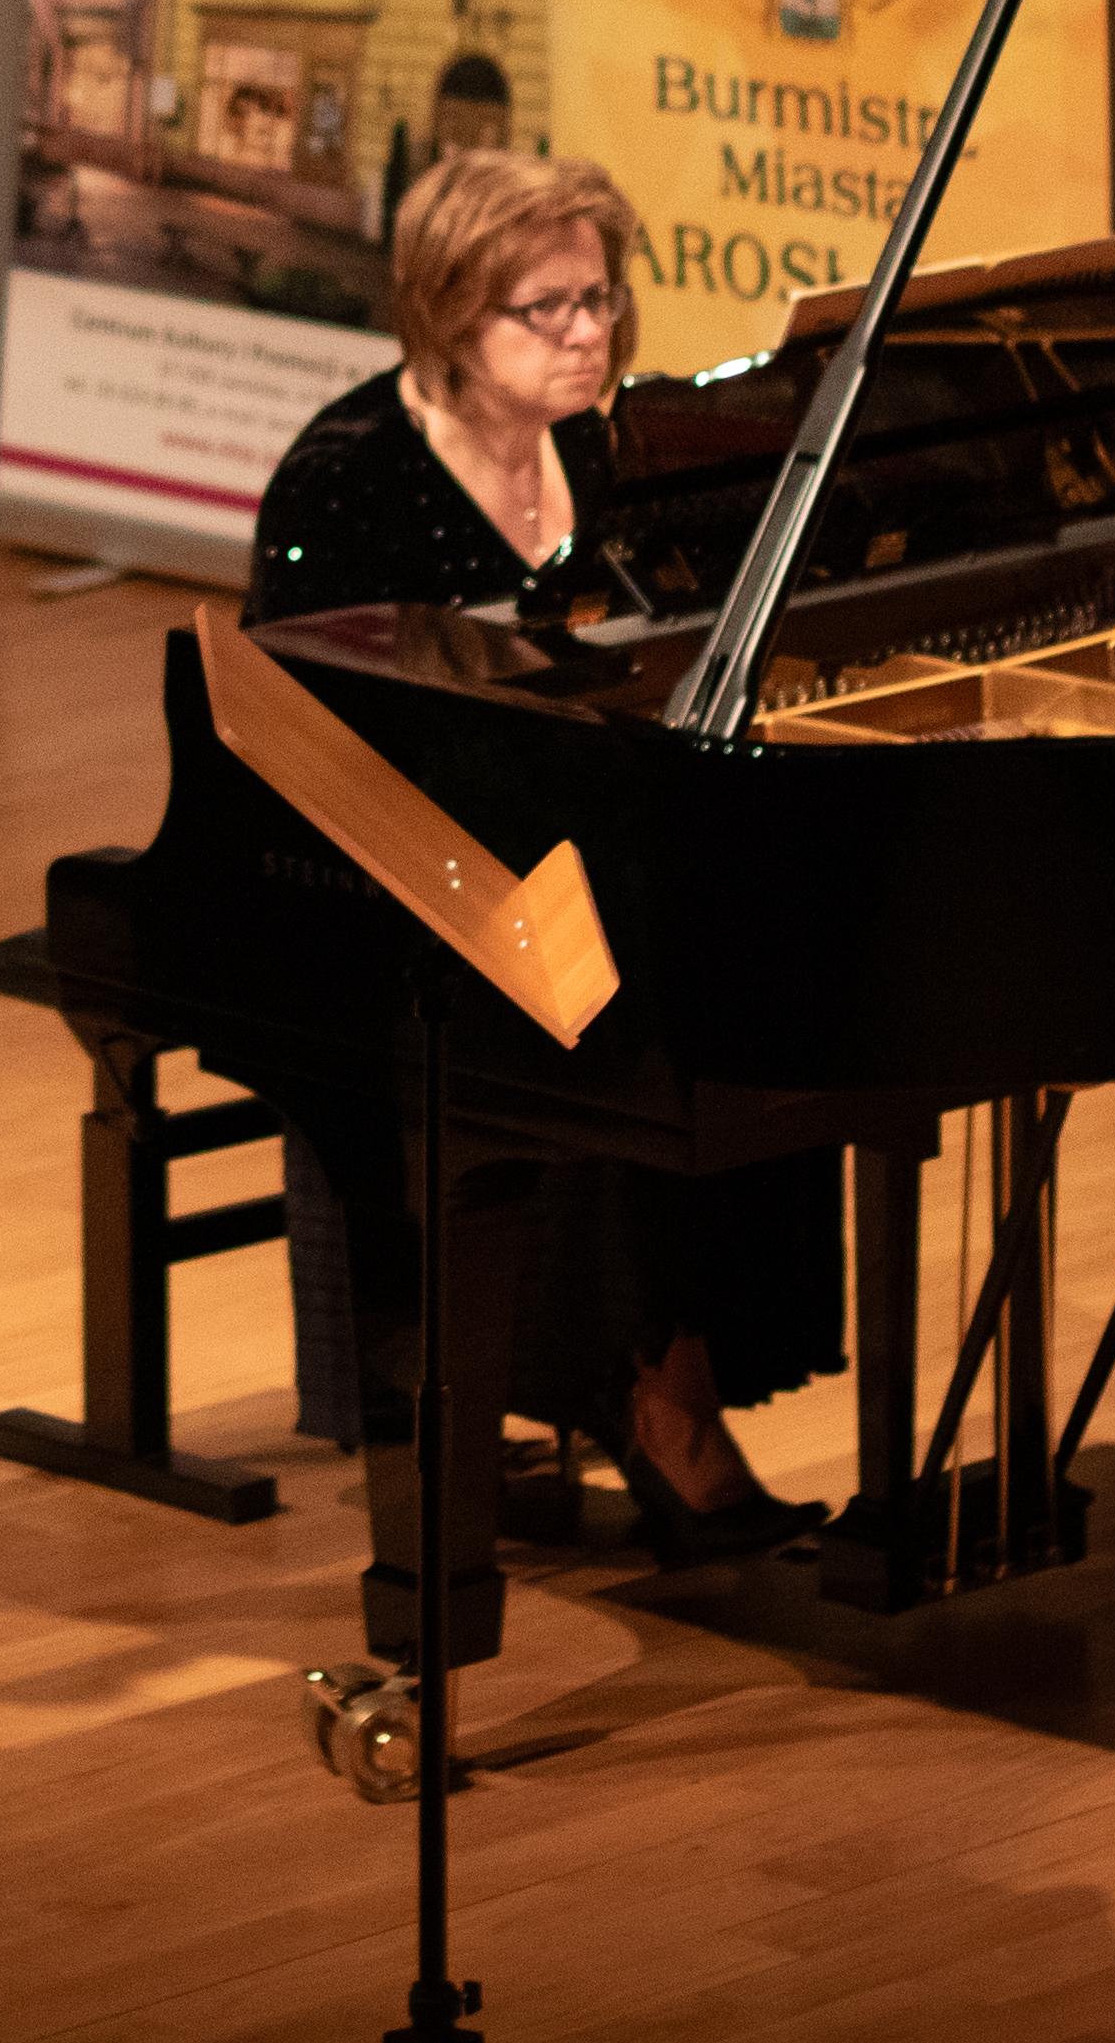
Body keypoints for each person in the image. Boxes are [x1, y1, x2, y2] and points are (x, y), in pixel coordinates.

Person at [244, 147, 839, 1562]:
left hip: (588, 840)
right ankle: (641, 1392)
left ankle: (664, 1364)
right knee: (613, 999)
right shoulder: (346, 479)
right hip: (404, 873)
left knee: (782, 965)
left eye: (602, 299)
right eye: (549, 307)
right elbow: (315, 740)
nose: (590, 334)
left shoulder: (609, 448)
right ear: (452, 313)